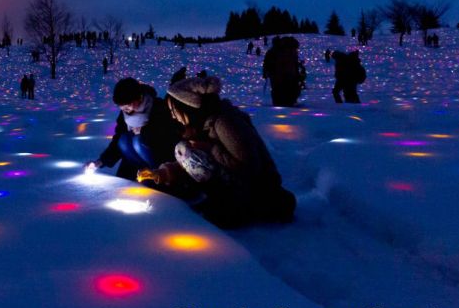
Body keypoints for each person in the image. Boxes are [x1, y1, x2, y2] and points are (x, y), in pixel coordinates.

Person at [139, 76, 295, 228]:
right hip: (233, 183)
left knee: (219, 215)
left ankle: (240, 206)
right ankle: (216, 200)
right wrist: (162, 173)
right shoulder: (200, 124)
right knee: (184, 150)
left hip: (255, 187)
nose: (173, 115)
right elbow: (192, 161)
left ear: (187, 106)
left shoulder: (224, 122)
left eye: (174, 109)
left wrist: (209, 149)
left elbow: (249, 166)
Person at [85, 77, 183, 183]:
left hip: (162, 159)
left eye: (128, 103)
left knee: (137, 141)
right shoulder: (125, 114)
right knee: (123, 140)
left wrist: (145, 131)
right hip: (138, 161)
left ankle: (155, 176)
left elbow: (169, 136)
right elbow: (118, 139)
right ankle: (139, 174)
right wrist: (101, 161)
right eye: (121, 105)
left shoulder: (158, 106)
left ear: (139, 98)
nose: (124, 108)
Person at [262, 36, 302, 107]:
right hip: (289, 73)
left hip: (276, 74)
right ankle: (288, 102)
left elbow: (266, 62)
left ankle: (280, 102)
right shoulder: (290, 50)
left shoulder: (274, 51)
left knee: (278, 88)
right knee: (288, 87)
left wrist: (265, 72)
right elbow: (295, 63)